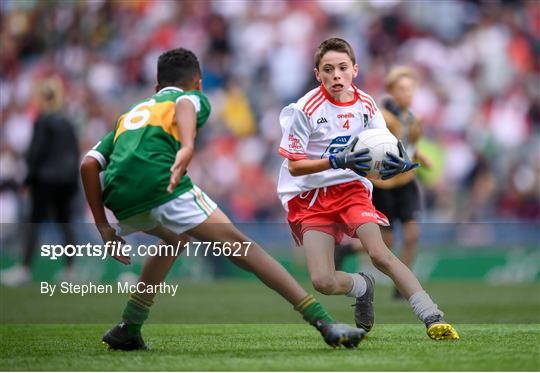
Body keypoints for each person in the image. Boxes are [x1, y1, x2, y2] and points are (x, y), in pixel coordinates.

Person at [80, 48, 366, 351]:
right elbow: (186, 104)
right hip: (163, 185)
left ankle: (129, 326)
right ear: (198, 82)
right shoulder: (191, 96)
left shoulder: (129, 115)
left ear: (156, 88)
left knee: (175, 239)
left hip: (119, 198)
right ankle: (324, 322)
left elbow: (88, 164)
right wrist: (188, 145)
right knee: (244, 248)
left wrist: (104, 227)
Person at [276, 38, 458, 340]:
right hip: (310, 197)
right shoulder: (305, 108)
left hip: (352, 189)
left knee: (379, 253)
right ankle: (362, 287)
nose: (336, 75)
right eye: (328, 69)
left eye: (342, 68)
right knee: (323, 281)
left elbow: (384, 146)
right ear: (317, 74)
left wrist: (398, 162)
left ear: (355, 70)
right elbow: (295, 166)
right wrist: (336, 159)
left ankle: (432, 316)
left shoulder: (366, 104)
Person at [335, 66, 432, 300]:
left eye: (411, 89)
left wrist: (419, 156)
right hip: (384, 186)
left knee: (412, 235)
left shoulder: (413, 118)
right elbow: (377, 144)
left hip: (406, 183)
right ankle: (348, 249)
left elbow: (408, 144)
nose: (407, 94)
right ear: (391, 91)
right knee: (385, 243)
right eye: (402, 89)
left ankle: (402, 285)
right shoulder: (381, 118)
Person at [1, 78, 80, 286]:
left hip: (44, 181)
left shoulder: (42, 121)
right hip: (65, 182)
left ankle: (25, 269)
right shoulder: (67, 121)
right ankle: (70, 270)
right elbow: (74, 153)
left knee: (33, 223)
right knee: (65, 225)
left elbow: (36, 153)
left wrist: (27, 180)